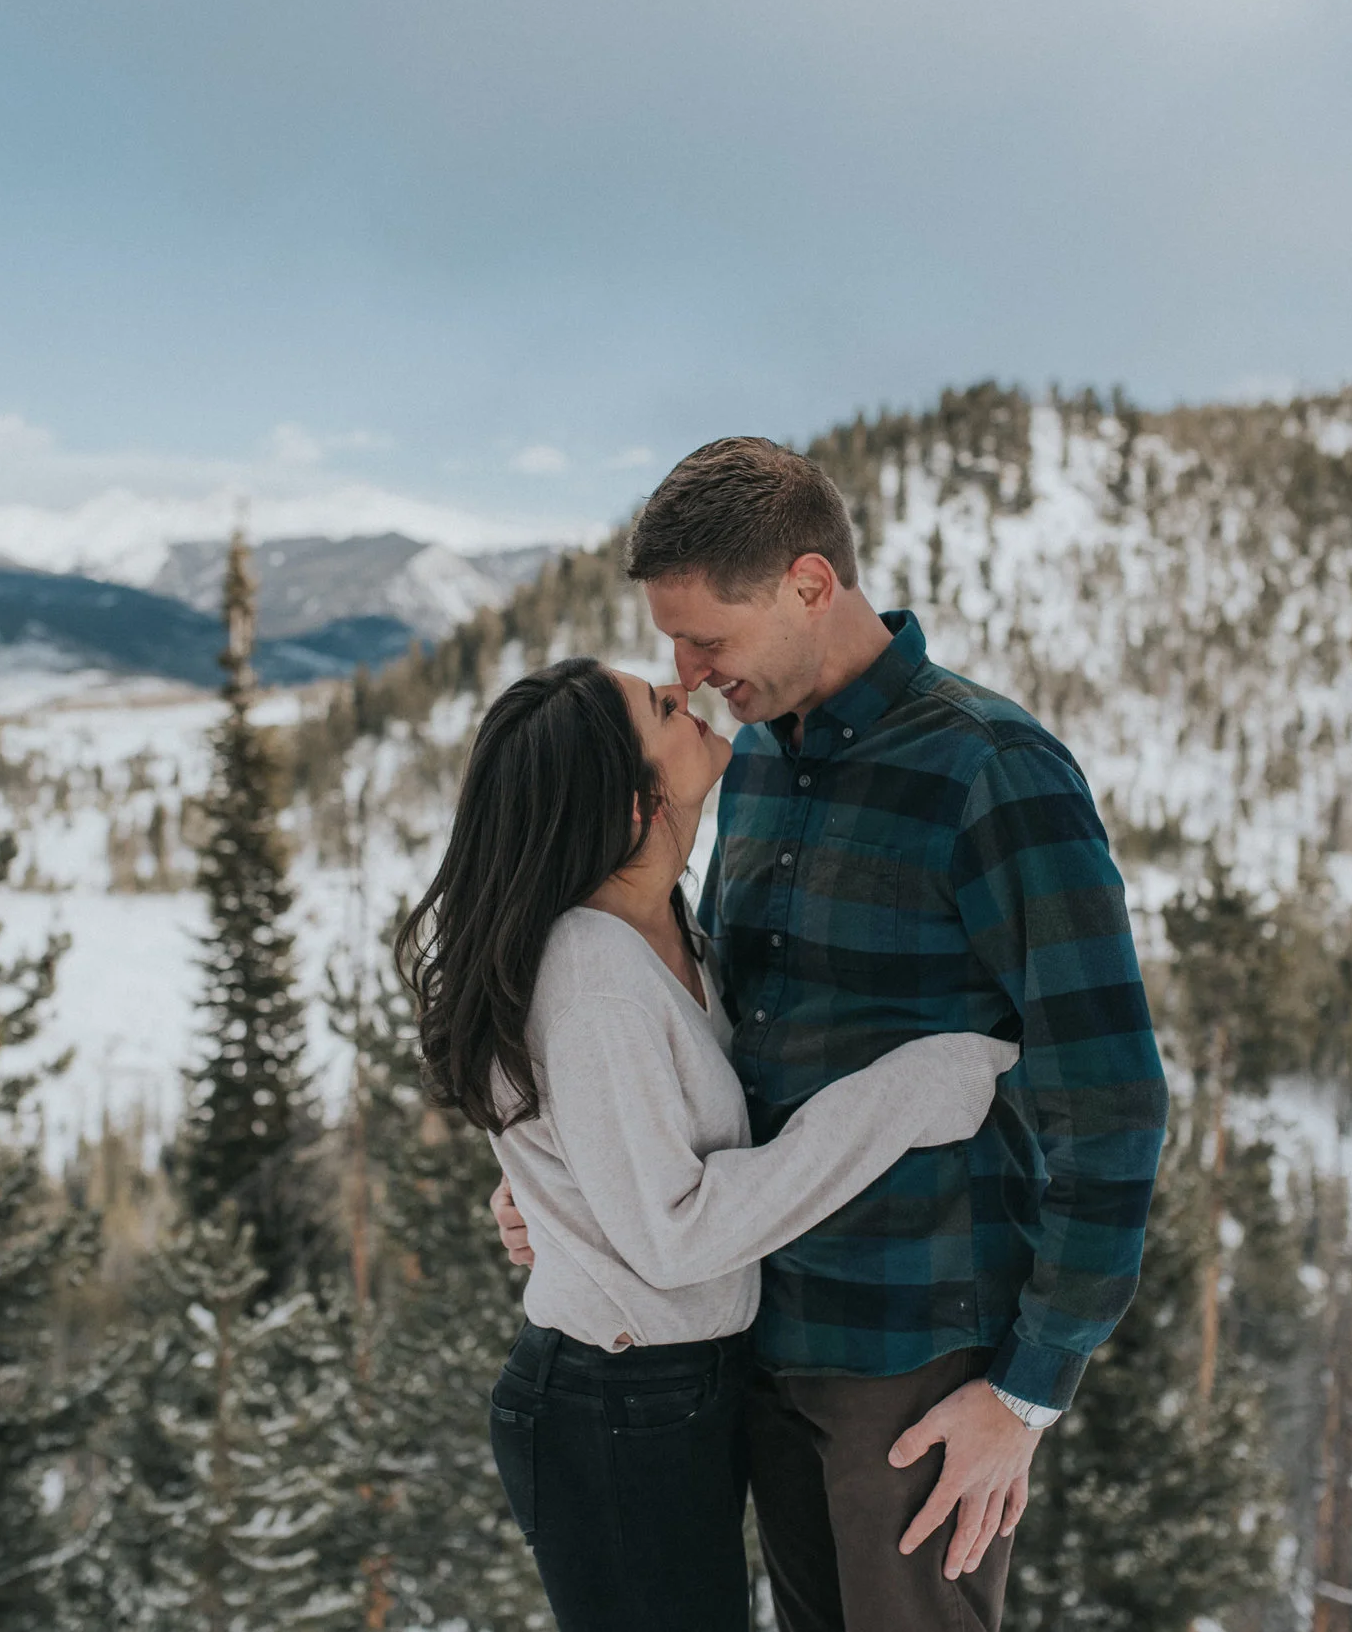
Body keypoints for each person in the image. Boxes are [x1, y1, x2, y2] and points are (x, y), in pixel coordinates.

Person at [489, 437, 1170, 1632]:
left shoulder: (992, 771)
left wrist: (1026, 1389)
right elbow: (716, 1052)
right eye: (670, 645)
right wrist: (579, 1189)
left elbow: (1108, 1102)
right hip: (751, 1341)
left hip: (907, 1356)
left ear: (811, 584)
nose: (688, 674)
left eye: (708, 639)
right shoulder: (750, 769)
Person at [395, 655, 1014, 1632]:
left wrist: (554, 1189)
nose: (686, 695)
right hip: (614, 1410)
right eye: (659, 707)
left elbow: (618, 1126)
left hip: (675, 1393)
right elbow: (676, 1234)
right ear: (636, 802)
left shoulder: (663, 922)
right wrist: (910, 1093)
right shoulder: (594, 975)